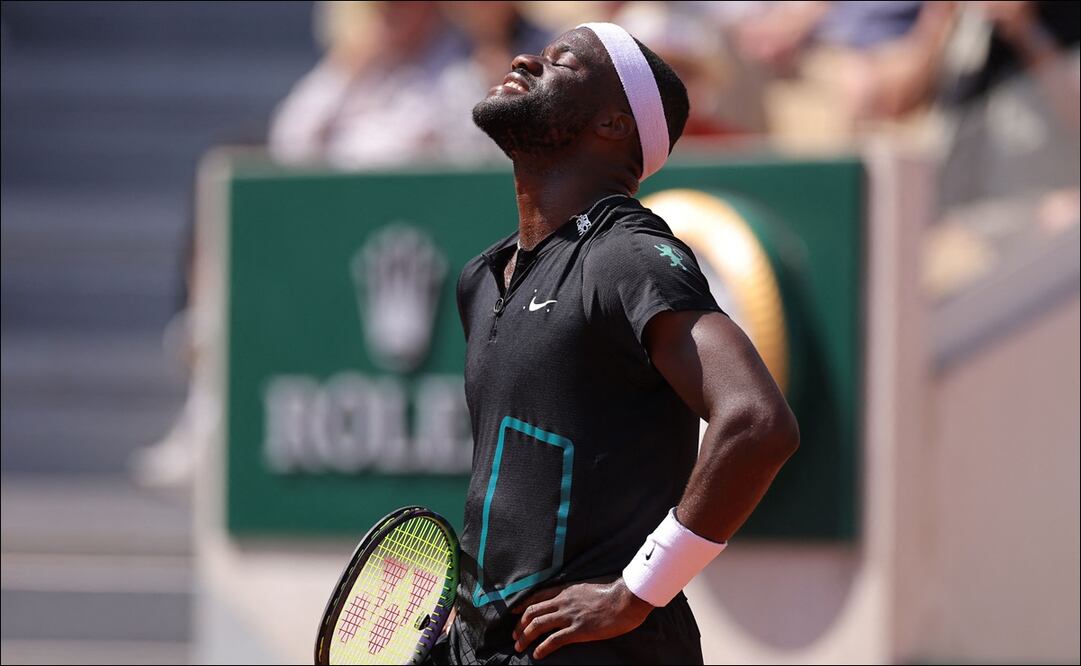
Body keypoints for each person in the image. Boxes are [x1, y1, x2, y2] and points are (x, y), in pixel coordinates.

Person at [434, 23, 799, 665]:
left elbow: (758, 422)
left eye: (561, 63)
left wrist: (638, 591)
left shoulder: (629, 256)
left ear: (613, 125)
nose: (525, 59)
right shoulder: (482, 278)